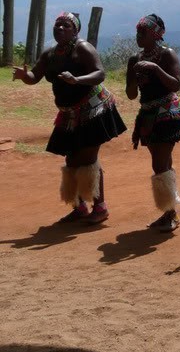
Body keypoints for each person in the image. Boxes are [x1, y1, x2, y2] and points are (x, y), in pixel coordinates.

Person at [12, 12, 126, 224]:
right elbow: (34, 77)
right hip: (69, 113)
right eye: (57, 25)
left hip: (93, 109)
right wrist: (23, 76)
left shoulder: (83, 48)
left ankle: (100, 207)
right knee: (71, 158)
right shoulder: (50, 54)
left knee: (88, 158)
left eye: (66, 25)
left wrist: (77, 80)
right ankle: (80, 206)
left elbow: (100, 74)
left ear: (75, 30)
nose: (60, 29)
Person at [126, 14, 180, 232]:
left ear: (155, 35)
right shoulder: (135, 60)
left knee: (159, 164)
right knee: (161, 161)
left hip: (167, 114)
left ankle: (170, 213)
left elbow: (176, 85)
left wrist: (155, 69)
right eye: (137, 32)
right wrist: (134, 77)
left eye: (143, 33)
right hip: (148, 115)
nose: (138, 36)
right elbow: (131, 95)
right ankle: (169, 208)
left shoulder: (166, 55)